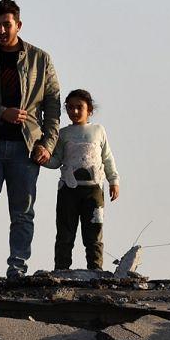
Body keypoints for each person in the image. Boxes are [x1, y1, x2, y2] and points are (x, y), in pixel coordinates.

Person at [0, 0, 61, 279]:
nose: (1, 30)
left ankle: (17, 269)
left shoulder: (41, 59)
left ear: (18, 24)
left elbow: (53, 104)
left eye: (6, 24)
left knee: (22, 212)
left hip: (26, 147)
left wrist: (48, 144)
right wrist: (1, 112)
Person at [43, 89, 120, 270]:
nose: (75, 112)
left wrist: (114, 181)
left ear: (90, 110)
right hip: (68, 191)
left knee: (93, 234)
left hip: (93, 191)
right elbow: (56, 161)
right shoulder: (63, 134)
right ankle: (61, 270)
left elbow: (107, 157)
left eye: (79, 107)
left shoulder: (98, 131)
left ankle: (95, 270)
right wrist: (41, 158)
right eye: (70, 108)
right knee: (65, 233)